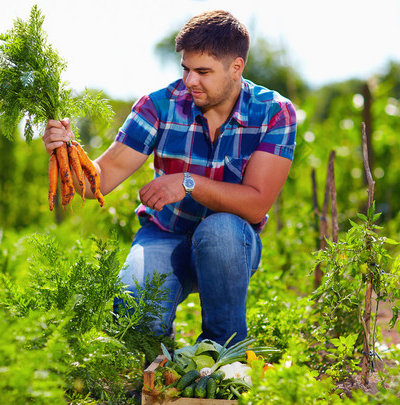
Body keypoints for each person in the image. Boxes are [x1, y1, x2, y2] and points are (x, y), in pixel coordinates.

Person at [42, 10, 296, 346]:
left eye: (203, 72)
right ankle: (158, 350)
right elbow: (97, 183)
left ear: (236, 68)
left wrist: (187, 182)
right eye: (186, 69)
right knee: (135, 317)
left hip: (230, 243)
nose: (191, 81)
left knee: (219, 230)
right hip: (163, 234)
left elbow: (255, 204)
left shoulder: (274, 112)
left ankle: (222, 350)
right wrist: (67, 151)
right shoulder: (159, 106)